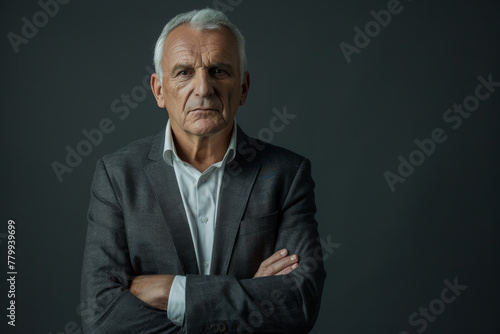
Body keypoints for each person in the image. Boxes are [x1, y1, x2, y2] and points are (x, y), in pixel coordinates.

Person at [81, 8, 325, 334]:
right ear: (158, 90)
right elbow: (101, 319)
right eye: (183, 72)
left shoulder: (286, 174)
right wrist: (246, 293)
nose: (203, 88)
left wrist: (174, 292)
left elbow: (299, 303)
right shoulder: (117, 176)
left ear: (244, 87)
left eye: (219, 70)